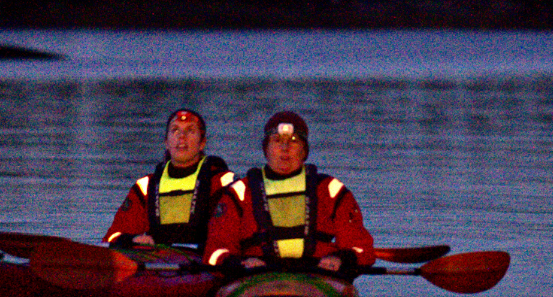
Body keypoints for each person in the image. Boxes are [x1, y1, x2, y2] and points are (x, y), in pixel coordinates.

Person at [202, 111, 376, 278]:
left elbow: (361, 248)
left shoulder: (330, 190)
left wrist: (340, 259)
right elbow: (214, 252)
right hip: (256, 280)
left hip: (317, 277)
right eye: (277, 141)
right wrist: (238, 263)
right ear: (266, 149)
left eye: (293, 141)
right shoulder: (239, 192)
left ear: (304, 150)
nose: (285, 148)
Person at [104, 108, 235, 250]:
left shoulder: (223, 182)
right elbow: (113, 236)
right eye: (175, 131)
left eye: (190, 131)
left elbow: (236, 233)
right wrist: (133, 239)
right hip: (156, 262)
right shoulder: (146, 186)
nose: (182, 137)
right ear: (166, 142)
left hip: (206, 264)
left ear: (202, 143)